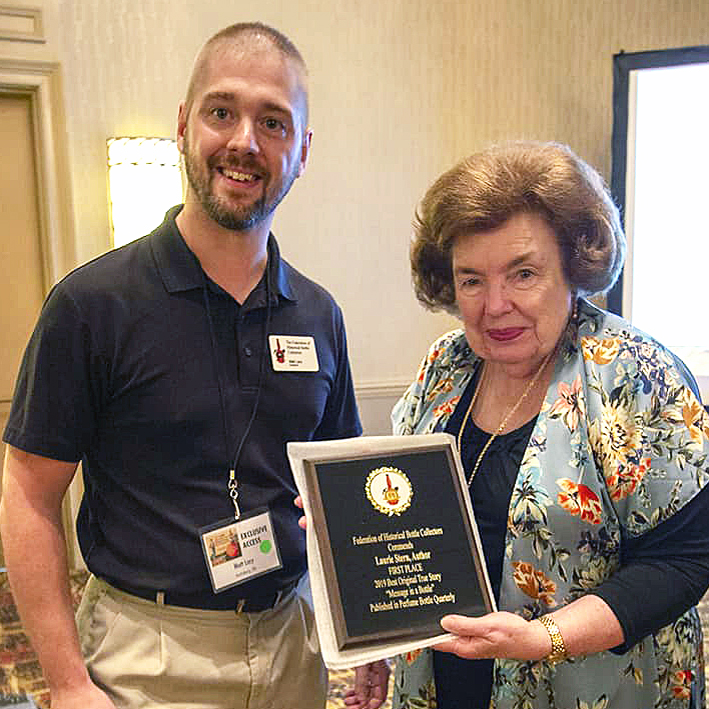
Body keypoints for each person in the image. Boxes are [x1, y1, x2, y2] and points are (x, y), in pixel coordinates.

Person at [0, 22, 362, 709]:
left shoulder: (319, 315)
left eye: (273, 122)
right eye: (221, 111)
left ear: (302, 151)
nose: (244, 141)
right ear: (183, 126)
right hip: (145, 659)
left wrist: (365, 633)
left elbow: (340, 495)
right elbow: (28, 495)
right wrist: (68, 683)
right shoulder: (92, 305)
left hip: (292, 645)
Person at [389, 141, 709, 708]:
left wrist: (542, 639)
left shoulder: (634, 374)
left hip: (592, 684)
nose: (495, 305)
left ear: (574, 266)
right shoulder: (445, 366)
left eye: (523, 274)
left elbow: (683, 559)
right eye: (472, 280)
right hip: (446, 678)